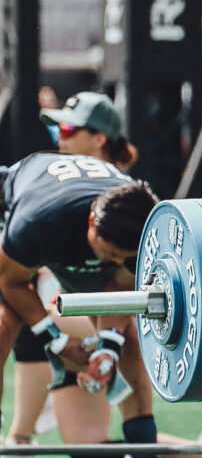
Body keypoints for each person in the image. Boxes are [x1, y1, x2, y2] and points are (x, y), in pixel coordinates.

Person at [0, 152, 162, 454]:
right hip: (21, 204)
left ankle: (144, 450)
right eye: (112, 252)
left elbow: (121, 289)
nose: (116, 261)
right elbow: (11, 282)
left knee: (127, 337)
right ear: (91, 222)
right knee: (4, 321)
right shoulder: (37, 221)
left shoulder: (146, 228)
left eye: (123, 257)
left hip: (71, 219)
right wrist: (56, 340)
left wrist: (108, 348)